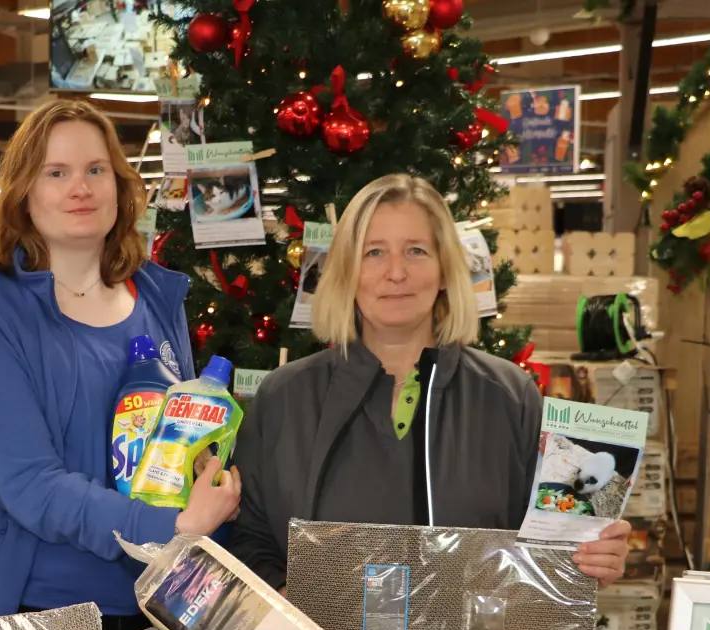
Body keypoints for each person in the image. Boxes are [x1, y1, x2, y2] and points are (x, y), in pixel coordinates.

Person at [228, 174, 631, 588]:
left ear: (444, 270)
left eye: (416, 251)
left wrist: (588, 559)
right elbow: (251, 542)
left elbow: (546, 551)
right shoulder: (285, 397)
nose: (396, 272)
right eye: (374, 253)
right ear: (347, 272)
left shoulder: (509, 397)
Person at [0, 97, 241, 630]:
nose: (80, 188)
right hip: (41, 618)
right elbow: (28, 483)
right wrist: (170, 527)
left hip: (159, 609)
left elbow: (180, 437)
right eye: (56, 172)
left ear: (119, 186)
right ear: (25, 192)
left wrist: (204, 476)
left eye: (95, 170)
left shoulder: (155, 296)